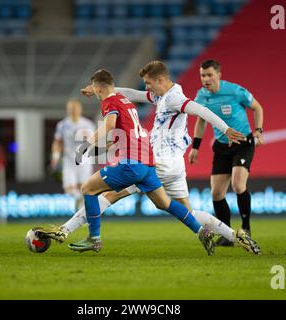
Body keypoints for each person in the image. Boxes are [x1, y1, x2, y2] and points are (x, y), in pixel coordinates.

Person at [37, 62, 261, 255]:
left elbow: (201, 111)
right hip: (174, 166)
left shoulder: (175, 99)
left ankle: (67, 231)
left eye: (148, 83)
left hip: (158, 162)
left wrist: (225, 128)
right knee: (184, 211)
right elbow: (133, 95)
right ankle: (234, 235)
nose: (146, 88)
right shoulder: (162, 96)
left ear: (160, 79)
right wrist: (102, 89)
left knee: (105, 194)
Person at [188, 59, 264, 246]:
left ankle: (245, 228)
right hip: (222, 147)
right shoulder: (201, 96)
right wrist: (195, 147)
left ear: (219, 75)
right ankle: (229, 235)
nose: (205, 79)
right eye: (202, 75)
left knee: (238, 185)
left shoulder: (235, 91)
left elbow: (257, 107)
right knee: (216, 193)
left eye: (209, 75)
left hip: (243, 144)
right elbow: (201, 121)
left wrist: (258, 130)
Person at [51, 98, 95, 205]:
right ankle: (78, 199)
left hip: (84, 161)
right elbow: (57, 142)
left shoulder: (88, 124)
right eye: (71, 108)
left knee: (84, 188)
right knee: (68, 189)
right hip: (69, 161)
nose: (74, 110)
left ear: (80, 109)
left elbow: (96, 141)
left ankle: (81, 211)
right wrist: (55, 157)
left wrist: (88, 137)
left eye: (76, 108)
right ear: (68, 110)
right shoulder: (62, 125)